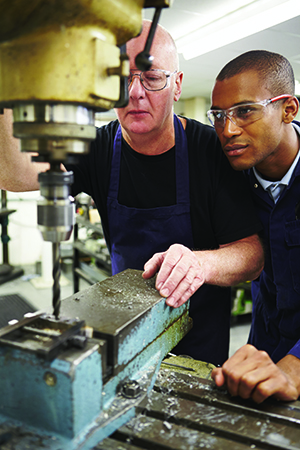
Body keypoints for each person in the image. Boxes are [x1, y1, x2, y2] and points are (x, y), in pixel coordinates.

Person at [0, 21, 263, 367]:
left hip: (197, 345)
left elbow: (252, 254)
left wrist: (200, 262)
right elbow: (16, 176)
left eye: (152, 77)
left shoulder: (211, 151)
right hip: (119, 337)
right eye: (120, 79)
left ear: (177, 85)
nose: (134, 93)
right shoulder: (96, 147)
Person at [208, 50, 300, 402]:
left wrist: (294, 368)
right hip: (263, 350)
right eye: (218, 116)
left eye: (245, 111)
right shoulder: (231, 178)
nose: (228, 130)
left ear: (288, 109)